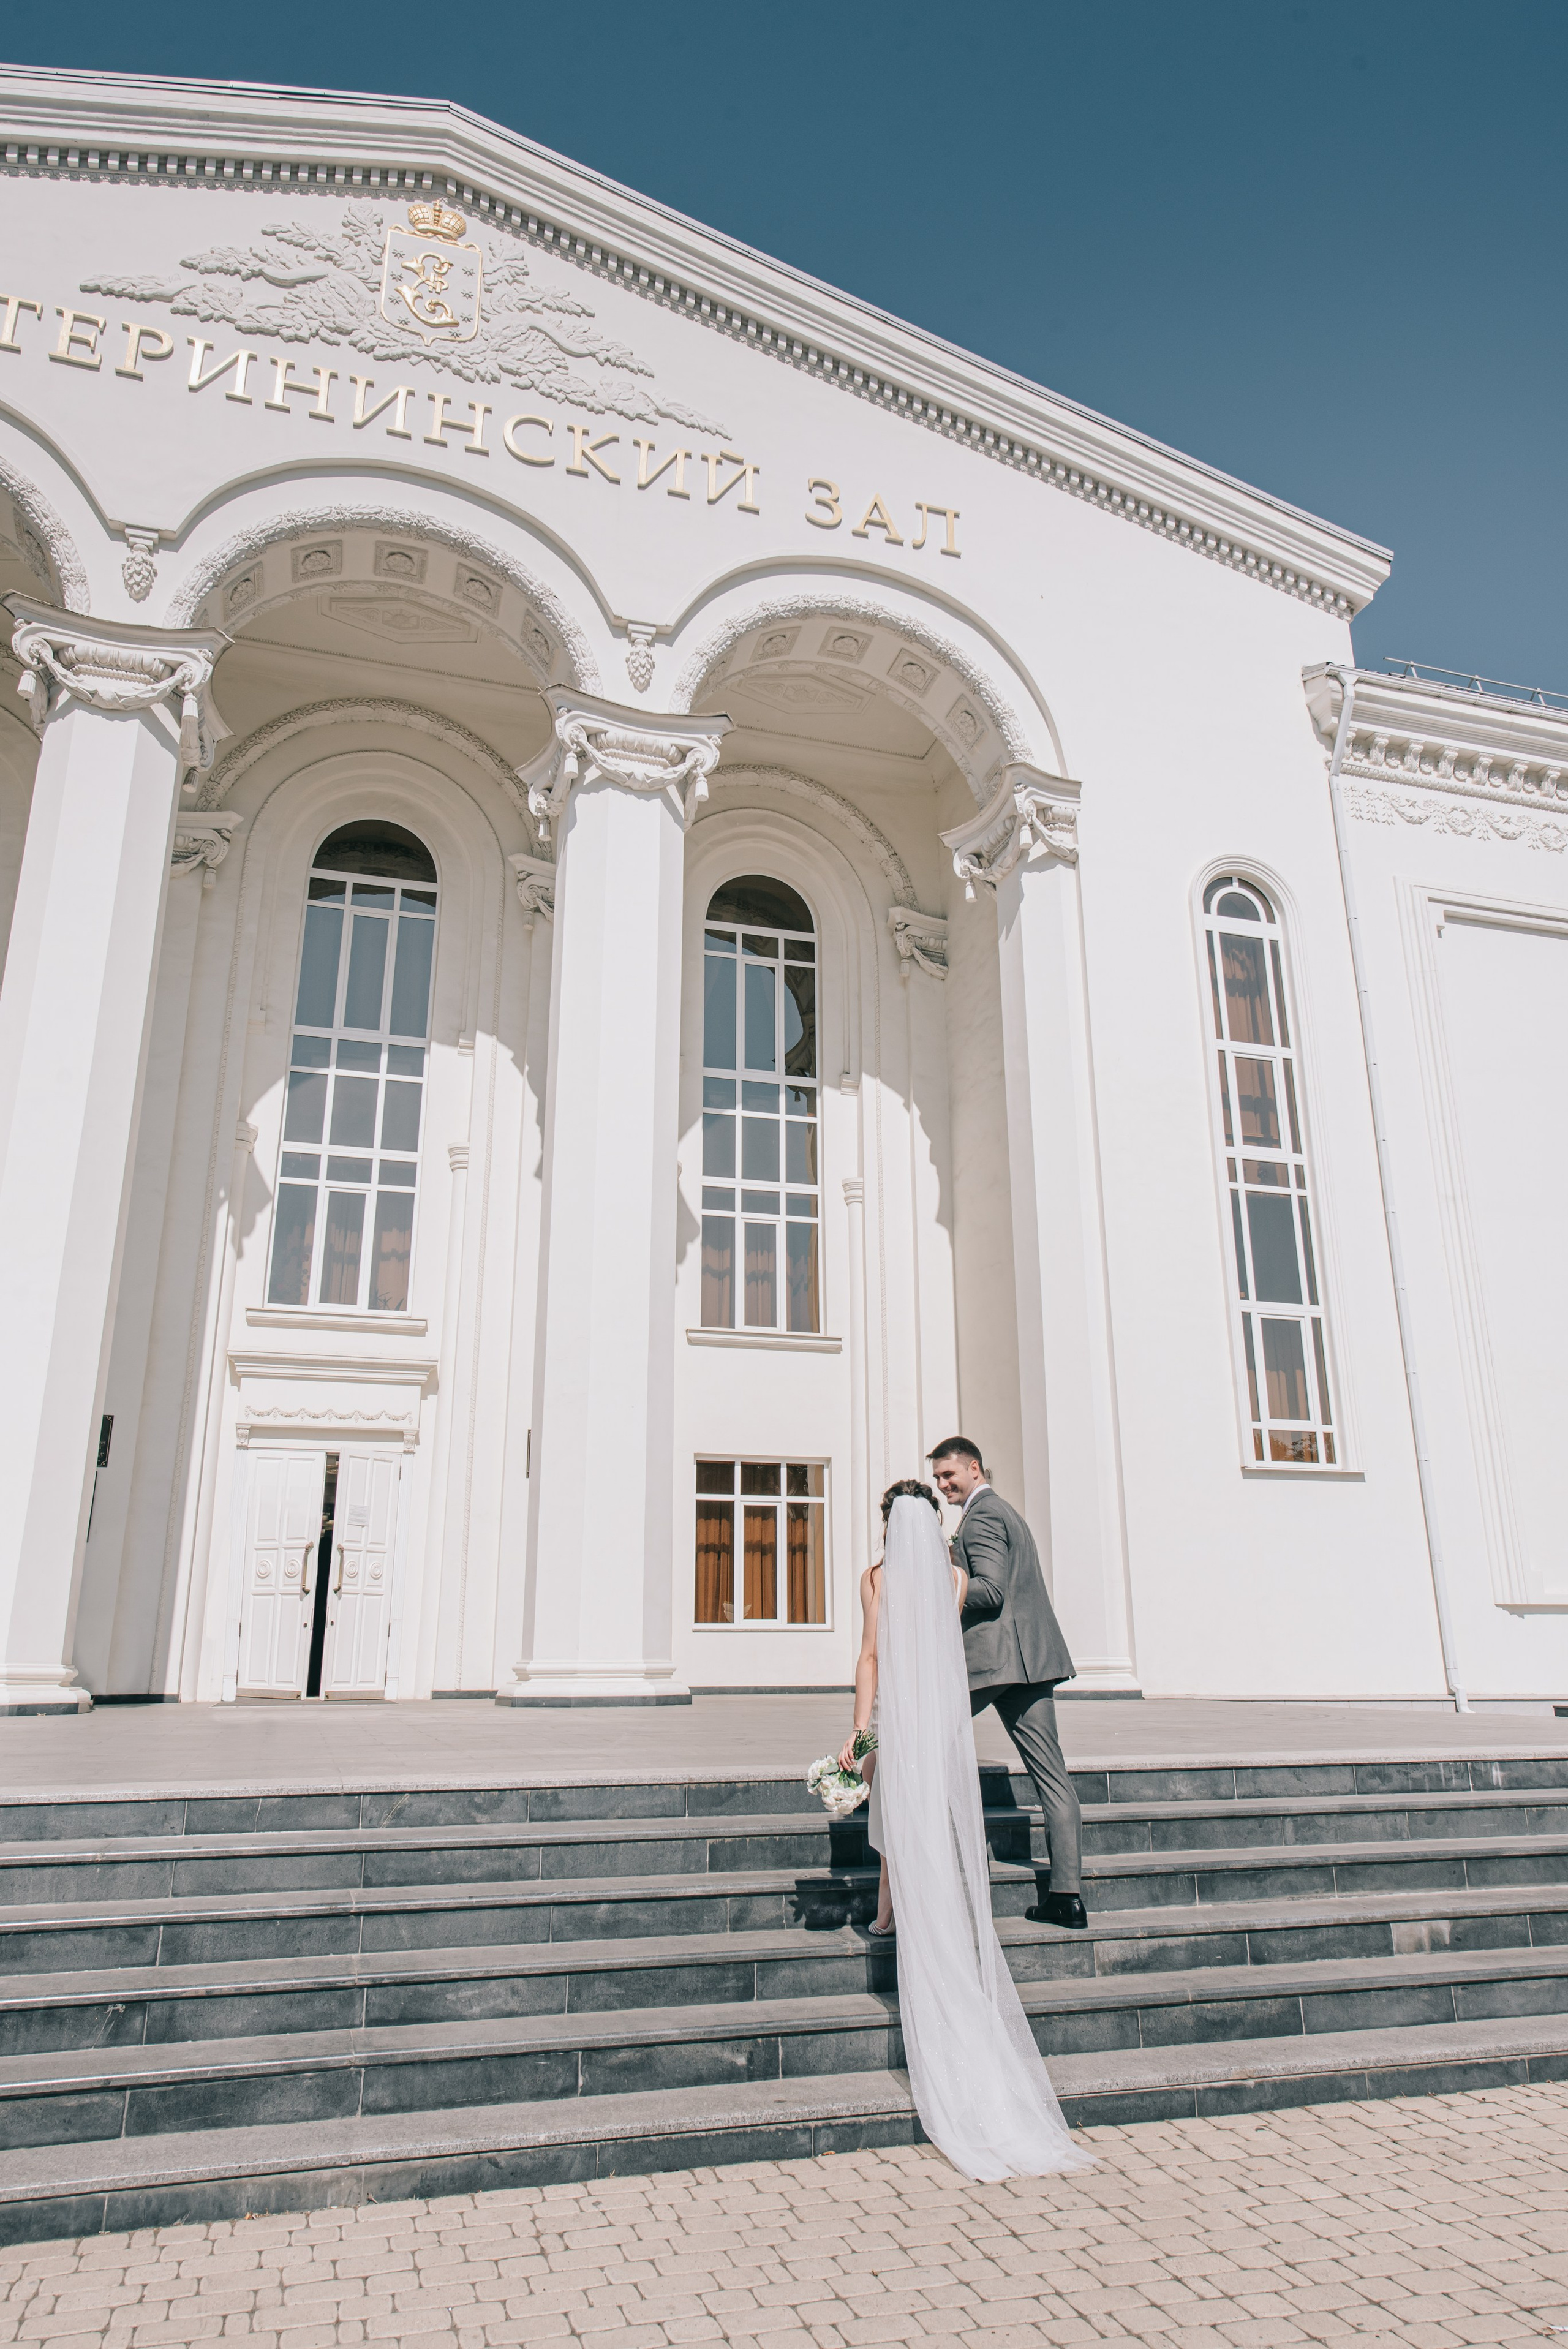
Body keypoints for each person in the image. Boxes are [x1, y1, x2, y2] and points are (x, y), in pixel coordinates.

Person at [837, 1485, 1093, 2182]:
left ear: (891, 1525)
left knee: (893, 1813)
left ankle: (894, 1915)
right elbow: (946, 1650)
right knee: (922, 1817)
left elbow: (870, 1658)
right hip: (936, 1723)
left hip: (899, 1718)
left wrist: (860, 1733)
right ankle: (897, 1912)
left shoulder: (875, 1579)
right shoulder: (952, 1580)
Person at [929, 1437, 1087, 1931]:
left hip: (995, 1663)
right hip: (1032, 1661)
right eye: (937, 1478)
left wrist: (934, 1581)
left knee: (922, 1733)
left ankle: (923, 1872)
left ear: (974, 1468)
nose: (943, 1484)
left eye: (949, 1474)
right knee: (1053, 1778)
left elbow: (991, 1589)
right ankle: (1067, 1896)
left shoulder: (982, 1517)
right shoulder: (1006, 1512)